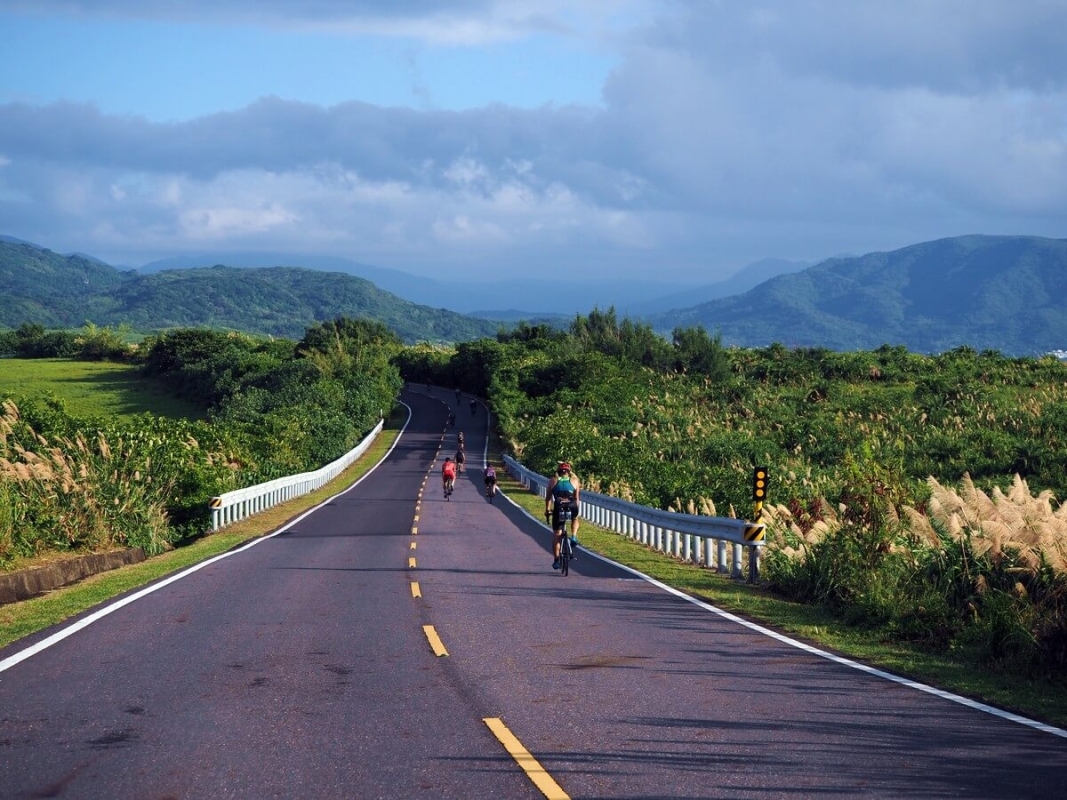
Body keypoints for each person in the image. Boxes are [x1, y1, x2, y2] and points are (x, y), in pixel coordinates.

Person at [545, 461, 581, 570]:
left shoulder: (553, 480)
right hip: (571, 505)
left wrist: (547, 510)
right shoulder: (575, 480)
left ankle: (556, 560)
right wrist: (575, 508)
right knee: (575, 518)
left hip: (558, 506)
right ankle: (574, 536)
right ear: (569, 472)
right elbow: (577, 498)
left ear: (558, 471)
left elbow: (548, 498)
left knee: (557, 533)